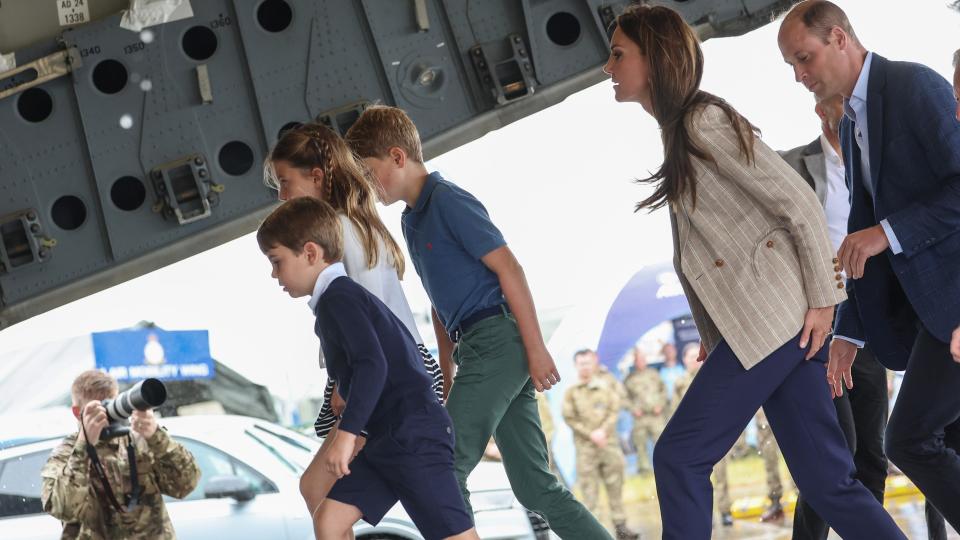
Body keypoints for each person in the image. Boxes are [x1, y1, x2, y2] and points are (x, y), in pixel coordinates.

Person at [604, 5, 905, 538]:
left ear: (653, 58)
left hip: (773, 326)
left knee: (679, 457)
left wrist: (822, 298)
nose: (609, 66)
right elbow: (707, 252)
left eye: (619, 54)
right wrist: (712, 331)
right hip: (769, 327)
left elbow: (800, 205)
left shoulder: (704, 121)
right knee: (828, 482)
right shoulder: (681, 131)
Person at [345, 105, 612, 539]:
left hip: (499, 343)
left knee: (444, 466)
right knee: (534, 487)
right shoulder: (411, 220)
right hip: (477, 352)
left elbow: (510, 269)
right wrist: (449, 377)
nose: (369, 186)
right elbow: (437, 305)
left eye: (369, 172)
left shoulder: (448, 200)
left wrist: (536, 348)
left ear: (397, 156)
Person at [779, 1, 960, 531]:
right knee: (928, 439)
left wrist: (890, 231)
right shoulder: (857, 116)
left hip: (950, 299)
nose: (801, 76)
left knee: (908, 438)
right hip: (933, 312)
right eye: (792, 66)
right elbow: (858, 238)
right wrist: (849, 330)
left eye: (804, 59)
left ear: (839, 38)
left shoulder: (913, 87)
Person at [256, 196, 478, 540]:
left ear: (311, 253)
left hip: (413, 436)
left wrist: (347, 435)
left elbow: (373, 364)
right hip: (386, 440)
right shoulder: (336, 300)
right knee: (329, 522)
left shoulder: (339, 298)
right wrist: (345, 390)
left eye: (277, 261)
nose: (274, 274)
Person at [262, 123, 444, 531]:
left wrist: (347, 387)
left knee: (318, 492)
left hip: (382, 373)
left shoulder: (341, 233)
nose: (281, 196)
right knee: (324, 496)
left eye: (285, 183)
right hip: (397, 367)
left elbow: (366, 322)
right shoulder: (359, 224)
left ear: (317, 178)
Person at [781, 94, 889, 539]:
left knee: (872, 453)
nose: (846, 113)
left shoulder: (879, 166)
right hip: (817, 323)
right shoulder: (790, 167)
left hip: (869, 322)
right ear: (818, 110)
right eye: (835, 104)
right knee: (834, 452)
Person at [40, 370, 200, 539]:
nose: (106, 414)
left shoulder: (141, 441)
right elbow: (62, 509)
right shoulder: (67, 453)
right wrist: (84, 447)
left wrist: (156, 436)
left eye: (110, 404)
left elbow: (185, 485)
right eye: (97, 408)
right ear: (76, 412)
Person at [562, 350, 640, 540]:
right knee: (590, 493)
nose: (585, 367)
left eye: (588, 363)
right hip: (586, 450)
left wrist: (603, 431)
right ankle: (595, 533)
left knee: (615, 487)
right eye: (581, 363)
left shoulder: (605, 387)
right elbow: (569, 417)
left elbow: (614, 410)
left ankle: (621, 528)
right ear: (576, 365)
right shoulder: (571, 391)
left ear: (593, 364)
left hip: (608, 445)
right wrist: (591, 434)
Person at [623, 346, 667, 473]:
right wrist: (633, 409)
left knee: (661, 442)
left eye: (643, 359)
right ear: (635, 361)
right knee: (640, 444)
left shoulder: (654, 374)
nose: (641, 361)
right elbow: (624, 398)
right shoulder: (629, 379)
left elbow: (663, 391)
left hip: (656, 416)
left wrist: (660, 405)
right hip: (640, 418)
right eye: (638, 359)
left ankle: (664, 466)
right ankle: (644, 470)